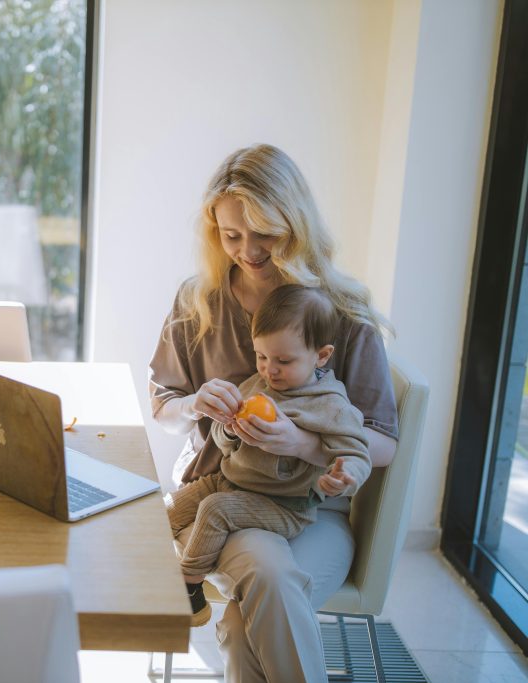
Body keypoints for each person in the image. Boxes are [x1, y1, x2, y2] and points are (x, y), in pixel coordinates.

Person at [149, 143, 398, 683]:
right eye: (231, 235)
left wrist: (303, 444)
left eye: (265, 233)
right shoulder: (199, 302)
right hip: (225, 495)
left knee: (244, 622)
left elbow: (381, 442)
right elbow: (163, 406)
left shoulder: (340, 315)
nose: (248, 250)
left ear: (296, 224)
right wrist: (194, 405)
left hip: (315, 513)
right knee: (265, 572)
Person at [165, 284, 372, 627]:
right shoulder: (258, 385)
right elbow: (222, 441)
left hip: (284, 505)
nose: (269, 370)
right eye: (262, 357)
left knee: (215, 510)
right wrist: (229, 428)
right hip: (229, 480)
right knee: (166, 511)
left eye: (284, 361)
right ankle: (144, 579)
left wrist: (344, 475)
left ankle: (188, 589)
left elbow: (356, 452)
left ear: (321, 356)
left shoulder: (330, 405)